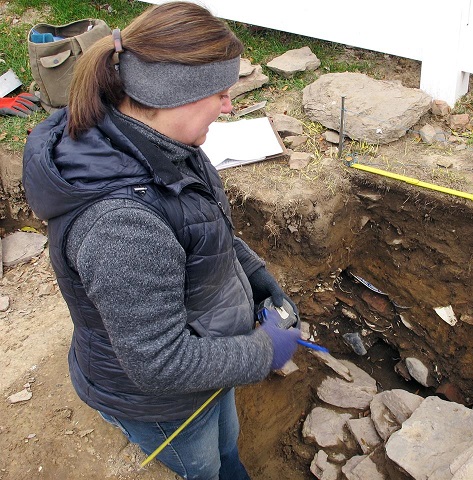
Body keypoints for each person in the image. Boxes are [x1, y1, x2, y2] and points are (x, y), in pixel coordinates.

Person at [22, 2, 301, 479]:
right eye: (220, 94)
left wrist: (257, 277)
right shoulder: (121, 228)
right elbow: (160, 363)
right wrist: (263, 353)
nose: (229, 106)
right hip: (160, 403)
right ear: (175, 95)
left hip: (208, 365)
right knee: (201, 467)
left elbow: (206, 227)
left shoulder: (167, 145)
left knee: (227, 450)